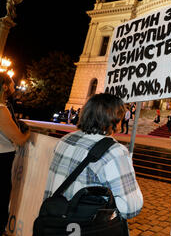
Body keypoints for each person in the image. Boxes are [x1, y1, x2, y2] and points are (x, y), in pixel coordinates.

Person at [44, 93, 143, 224]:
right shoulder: (114, 152)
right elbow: (131, 208)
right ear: (115, 119)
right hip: (83, 231)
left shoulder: (65, 139)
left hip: (53, 221)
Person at [0, 73, 30, 236]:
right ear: (4, 86)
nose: (14, 88)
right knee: (2, 201)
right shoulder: (1, 110)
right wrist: (27, 132)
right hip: (2, 159)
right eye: (11, 84)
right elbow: (19, 139)